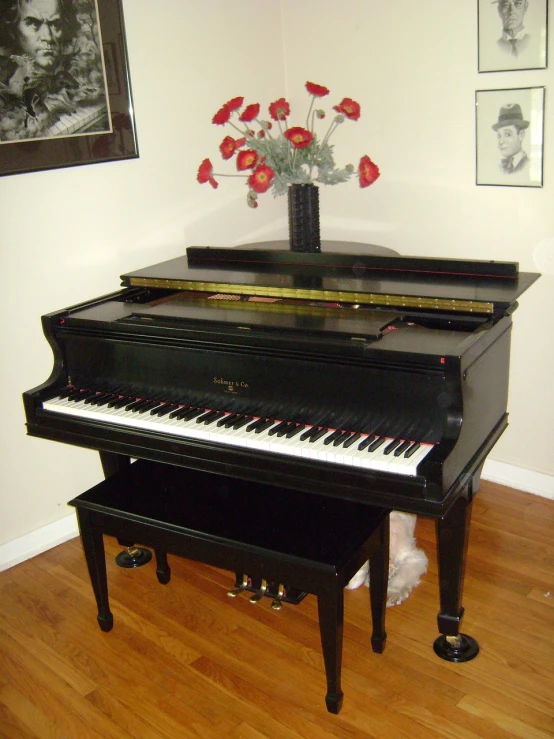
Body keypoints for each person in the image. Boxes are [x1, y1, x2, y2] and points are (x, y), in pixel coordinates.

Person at [492, 103, 530, 175]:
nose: (501, 141)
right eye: (499, 135)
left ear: (521, 135)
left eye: (507, 134)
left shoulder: (528, 165)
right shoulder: (500, 167)